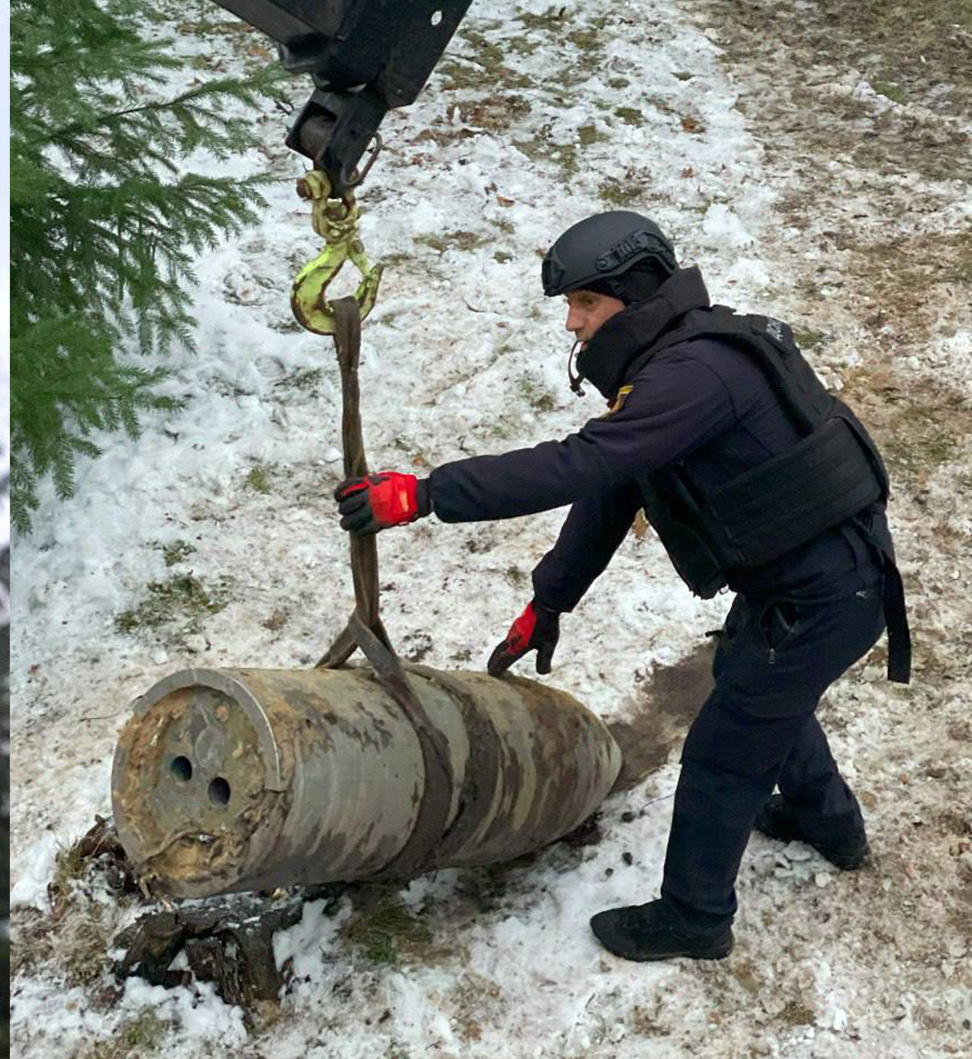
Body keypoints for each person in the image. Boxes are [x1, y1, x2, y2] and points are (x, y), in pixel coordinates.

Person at [332, 210, 910, 961]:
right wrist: (550, 600)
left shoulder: (695, 376)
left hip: (826, 595)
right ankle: (826, 821)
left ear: (633, 297)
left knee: (724, 754)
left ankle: (696, 918)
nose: (573, 325)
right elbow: (614, 488)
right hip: (809, 583)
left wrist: (426, 493)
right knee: (753, 684)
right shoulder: (674, 365)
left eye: (585, 305)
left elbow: (578, 465)